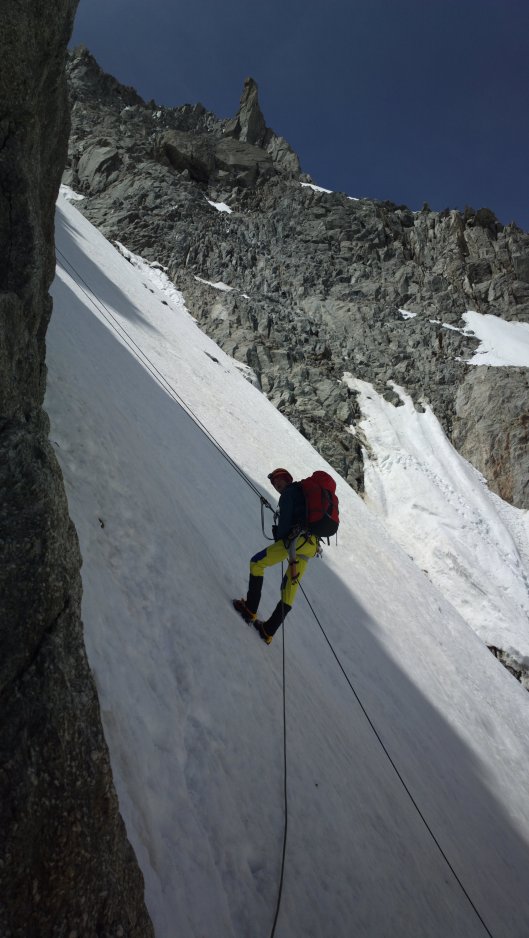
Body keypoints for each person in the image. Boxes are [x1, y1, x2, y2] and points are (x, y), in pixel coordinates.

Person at [233, 468, 319, 644]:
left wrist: (280, 535)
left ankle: (250, 608)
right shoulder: (301, 495)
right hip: (311, 545)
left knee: (257, 563)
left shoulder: (289, 494)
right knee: (290, 590)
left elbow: (285, 524)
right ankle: (267, 630)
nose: (276, 485)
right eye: (274, 483)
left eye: (278, 481)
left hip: (296, 540)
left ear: (287, 479)